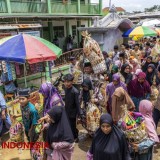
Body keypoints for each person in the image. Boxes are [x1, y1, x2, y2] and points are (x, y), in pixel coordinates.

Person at [63, 74, 82, 142]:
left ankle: (76, 137)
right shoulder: (66, 89)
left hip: (73, 112)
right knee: (69, 124)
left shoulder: (75, 91)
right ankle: (72, 135)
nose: (67, 83)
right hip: (67, 110)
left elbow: (77, 103)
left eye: (68, 82)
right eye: (66, 81)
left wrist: (80, 114)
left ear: (72, 82)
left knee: (72, 125)